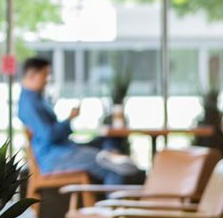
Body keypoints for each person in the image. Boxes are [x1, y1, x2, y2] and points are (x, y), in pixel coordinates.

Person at [16, 56, 143, 186]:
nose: (47, 80)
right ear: (32, 75)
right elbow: (49, 135)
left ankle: (110, 154)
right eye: (45, 75)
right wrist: (69, 119)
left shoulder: (37, 99)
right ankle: (110, 168)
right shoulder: (29, 103)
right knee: (111, 166)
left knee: (107, 143)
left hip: (64, 149)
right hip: (55, 157)